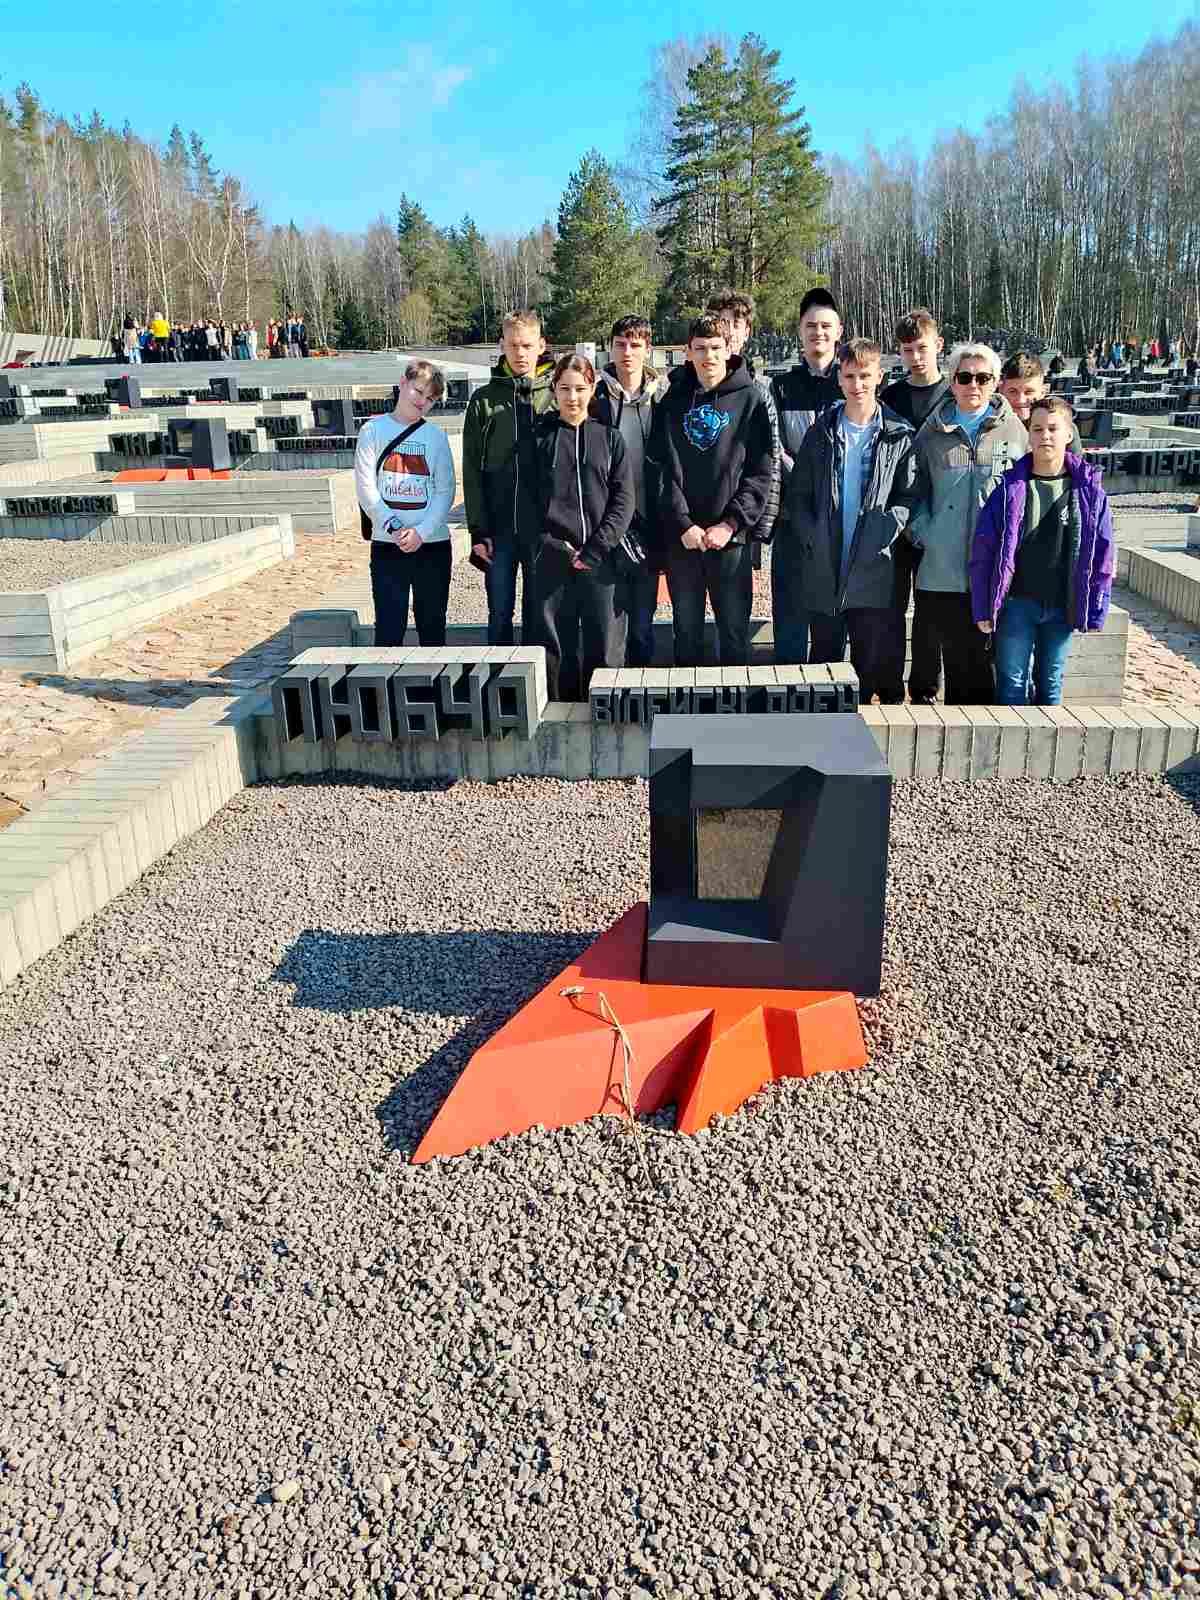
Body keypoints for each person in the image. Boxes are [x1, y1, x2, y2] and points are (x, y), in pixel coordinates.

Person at [781, 337, 918, 704]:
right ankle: (822, 728)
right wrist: (811, 535)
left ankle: (860, 727)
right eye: (850, 376)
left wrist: (886, 528)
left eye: (865, 376)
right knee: (824, 657)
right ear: (839, 379)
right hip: (827, 560)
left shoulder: (898, 434)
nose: (858, 384)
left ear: (880, 376)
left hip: (872, 562)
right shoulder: (822, 431)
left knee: (866, 658)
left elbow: (908, 495)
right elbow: (799, 493)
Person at [970, 394, 1113, 706]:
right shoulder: (1008, 489)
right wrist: (983, 607)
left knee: (1051, 683)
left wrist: (1096, 609)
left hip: (1062, 605)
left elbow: (1103, 555)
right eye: (1037, 429)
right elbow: (983, 552)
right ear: (1028, 433)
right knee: (1012, 683)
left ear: (1068, 434)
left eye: (1053, 428)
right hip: (1016, 605)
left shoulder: (1089, 492)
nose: (1045, 436)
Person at [907, 341, 1027, 704]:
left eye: (983, 378)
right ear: (952, 381)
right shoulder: (931, 433)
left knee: (976, 671)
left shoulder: (1015, 433)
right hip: (939, 571)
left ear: (995, 382)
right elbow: (911, 490)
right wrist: (926, 533)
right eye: (964, 377)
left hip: (989, 571)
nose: (973, 385)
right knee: (933, 663)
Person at [652, 313, 773, 667]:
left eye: (716, 347)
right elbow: (659, 469)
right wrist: (682, 524)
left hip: (730, 540)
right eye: (701, 348)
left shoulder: (751, 400)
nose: (709, 356)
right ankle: (687, 702)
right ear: (688, 351)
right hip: (683, 540)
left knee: (733, 633)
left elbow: (760, 472)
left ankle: (735, 702)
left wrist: (731, 524)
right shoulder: (672, 402)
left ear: (729, 349)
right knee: (686, 632)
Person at [532, 354, 634, 701]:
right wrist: (552, 546)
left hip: (600, 560)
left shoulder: (610, 439)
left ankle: (604, 714)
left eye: (579, 388)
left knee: (604, 645)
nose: (572, 397)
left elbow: (623, 501)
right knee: (556, 650)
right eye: (564, 389)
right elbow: (527, 501)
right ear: (554, 390)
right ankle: (558, 717)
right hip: (553, 560)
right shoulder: (539, 439)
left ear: (592, 389)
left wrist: (596, 548)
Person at [463, 308, 557, 645]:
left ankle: (538, 673)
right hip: (499, 530)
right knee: (499, 611)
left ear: (541, 345)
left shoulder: (555, 395)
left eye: (527, 345)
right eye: (513, 345)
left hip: (542, 528)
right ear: (502, 345)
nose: (520, 353)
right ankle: (498, 674)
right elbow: (472, 471)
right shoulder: (484, 401)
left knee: (539, 612)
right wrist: (478, 530)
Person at [354, 360, 456, 649]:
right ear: (403, 383)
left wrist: (421, 532)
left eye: (430, 398)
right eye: (418, 391)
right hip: (388, 544)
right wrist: (395, 527)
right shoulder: (372, 431)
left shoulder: (436, 437)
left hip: (432, 545)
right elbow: (366, 487)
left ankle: (435, 680)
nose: (422, 401)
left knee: (432, 627)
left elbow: (445, 490)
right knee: (389, 628)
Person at [880, 307, 950, 702]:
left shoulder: (953, 395)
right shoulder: (891, 397)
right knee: (890, 607)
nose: (916, 357)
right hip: (897, 517)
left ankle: (924, 686)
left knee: (930, 608)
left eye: (922, 348)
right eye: (908, 350)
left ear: (938, 345)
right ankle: (889, 685)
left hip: (938, 516)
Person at [771, 287, 844, 663]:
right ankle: (788, 693)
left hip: (838, 519)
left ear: (839, 331)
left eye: (826, 326)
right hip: (792, 518)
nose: (819, 332)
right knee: (790, 619)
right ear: (800, 330)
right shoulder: (782, 386)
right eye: (811, 325)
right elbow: (775, 447)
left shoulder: (851, 382)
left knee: (831, 622)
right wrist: (804, 481)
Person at [589, 314, 663, 668]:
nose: (627, 352)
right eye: (620, 344)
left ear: (648, 349)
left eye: (635, 345)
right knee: (611, 623)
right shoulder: (595, 397)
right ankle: (612, 690)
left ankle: (643, 687)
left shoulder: (662, 398)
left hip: (649, 521)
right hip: (606, 522)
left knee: (643, 622)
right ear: (610, 348)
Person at [705, 289, 783, 560]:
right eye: (722, 322)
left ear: (747, 331)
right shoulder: (691, 388)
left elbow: (770, 461)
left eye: (736, 324)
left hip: (740, 525)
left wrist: (760, 526)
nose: (729, 331)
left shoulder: (759, 392)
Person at [999, 353, 1083, 453]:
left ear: (1043, 392)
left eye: (1029, 392)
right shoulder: (990, 426)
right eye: (1013, 391)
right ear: (1001, 390)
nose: (1021, 400)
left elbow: (1076, 462)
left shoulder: (1061, 427)